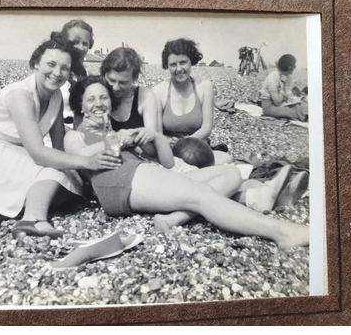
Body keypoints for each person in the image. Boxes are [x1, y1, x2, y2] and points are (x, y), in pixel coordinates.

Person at [64, 76, 309, 248]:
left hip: (143, 174)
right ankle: (281, 232)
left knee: (229, 175)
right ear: (81, 107)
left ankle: (175, 218)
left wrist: (153, 137)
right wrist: (119, 138)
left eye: (104, 98)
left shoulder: (117, 132)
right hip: (118, 182)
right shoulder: (74, 135)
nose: (99, 104)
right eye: (92, 99)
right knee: (202, 195)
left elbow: (168, 163)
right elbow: (81, 156)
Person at [0, 33, 121, 239]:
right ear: (36, 64)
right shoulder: (20, 96)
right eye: (51, 64)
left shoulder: (56, 96)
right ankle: (33, 218)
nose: (57, 73)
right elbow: (38, 153)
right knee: (54, 174)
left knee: (69, 178)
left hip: (9, 151)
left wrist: (84, 173)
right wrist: (88, 162)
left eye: (65, 68)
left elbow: (58, 147)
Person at [152, 38, 232, 165]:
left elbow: (207, 128)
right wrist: (170, 143)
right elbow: (157, 133)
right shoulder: (158, 92)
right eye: (173, 64)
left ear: (191, 62)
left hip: (198, 149)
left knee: (227, 159)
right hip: (170, 151)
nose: (179, 69)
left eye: (183, 62)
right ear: (167, 66)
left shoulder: (205, 87)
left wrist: (184, 142)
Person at [100, 47, 159, 132]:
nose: (115, 87)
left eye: (123, 83)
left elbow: (151, 134)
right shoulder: (96, 93)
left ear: (134, 79)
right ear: (104, 74)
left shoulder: (144, 96)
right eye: (112, 80)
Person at [59, 19, 94, 124]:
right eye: (75, 42)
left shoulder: (86, 75)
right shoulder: (54, 72)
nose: (81, 47)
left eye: (85, 43)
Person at [260, 53, 308, 121]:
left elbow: (288, 96)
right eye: (295, 66)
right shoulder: (272, 78)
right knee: (296, 110)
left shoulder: (288, 77)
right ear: (290, 68)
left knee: (302, 105)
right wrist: (283, 85)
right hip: (269, 107)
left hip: (282, 104)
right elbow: (277, 102)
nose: (295, 67)